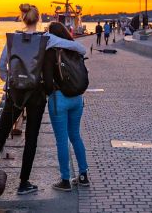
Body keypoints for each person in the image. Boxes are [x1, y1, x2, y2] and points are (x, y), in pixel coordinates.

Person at [0, 4, 47, 195]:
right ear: (38, 19)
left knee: (2, 130)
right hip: (36, 94)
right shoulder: (45, 41)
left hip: (15, 92)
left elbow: (2, 66)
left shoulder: (13, 40)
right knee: (31, 138)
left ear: (22, 18)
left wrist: (10, 81)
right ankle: (24, 183)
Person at [42, 21, 89, 191]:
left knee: (62, 141)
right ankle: (83, 176)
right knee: (75, 136)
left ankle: (65, 180)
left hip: (59, 99)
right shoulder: (75, 49)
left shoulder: (50, 52)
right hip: (77, 98)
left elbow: (47, 82)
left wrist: (51, 93)